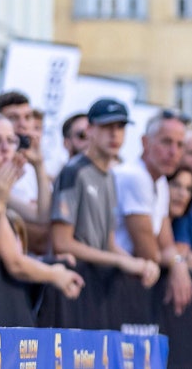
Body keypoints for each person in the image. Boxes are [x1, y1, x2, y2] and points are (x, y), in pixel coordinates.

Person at [50, 98, 161, 288]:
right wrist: (119, 261)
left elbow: (107, 242)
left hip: (95, 282)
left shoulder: (109, 176)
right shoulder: (73, 172)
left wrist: (140, 265)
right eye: (106, 126)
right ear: (90, 129)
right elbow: (62, 242)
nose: (114, 134)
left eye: (120, 127)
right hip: (71, 281)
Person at [0, 114, 84, 299]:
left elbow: (42, 217)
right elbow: (15, 263)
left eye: (11, 141)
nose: (5, 149)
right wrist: (55, 274)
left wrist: (39, 165)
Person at [114, 109, 192, 315]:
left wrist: (178, 264)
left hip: (125, 281)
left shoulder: (159, 182)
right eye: (166, 142)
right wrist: (181, 262)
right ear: (145, 142)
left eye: (180, 145)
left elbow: (166, 245)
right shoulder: (135, 177)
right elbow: (149, 252)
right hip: (110, 283)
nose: (173, 152)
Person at [0, 90, 52, 254]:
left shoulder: (31, 166)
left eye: (28, 117)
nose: (23, 124)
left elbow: (42, 217)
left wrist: (39, 165)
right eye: (13, 118)